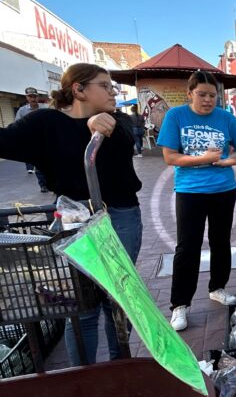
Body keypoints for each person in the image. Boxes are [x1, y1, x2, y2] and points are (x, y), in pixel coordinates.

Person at [0, 64, 143, 366]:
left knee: (119, 300)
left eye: (112, 87)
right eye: (104, 86)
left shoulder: (117, 121)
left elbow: (125, 146)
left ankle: (121, 367)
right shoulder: (45, 123)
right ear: (78, 89)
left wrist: (100, 125)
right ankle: (84, 378)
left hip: (120, 216)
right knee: (81, 308)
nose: (112, 92)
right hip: (74, 221)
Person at [157, 70, 236, 332]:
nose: (208, 100)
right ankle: (180, 304)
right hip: (190, 191)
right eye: (202, 94)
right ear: (190, 94)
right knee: (187, 247)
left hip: (223, 189)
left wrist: (226, 161)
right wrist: (203, 159)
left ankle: (217, 288)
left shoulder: (225, 117)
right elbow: (170, 157)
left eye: (212, 95)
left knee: (221, 242)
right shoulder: (176, 116)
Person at [14, 87, 48, 192]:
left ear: (37, 97)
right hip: (32, 141)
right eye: (30, 97)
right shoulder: (22, 110)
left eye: (34, 96)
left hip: (46, 140)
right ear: (27, 98)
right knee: (38, 164)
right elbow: (17, 125)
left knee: (50, 163)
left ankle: (53, 184)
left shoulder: (45, 108)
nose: (33, 99)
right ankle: (43, 185)